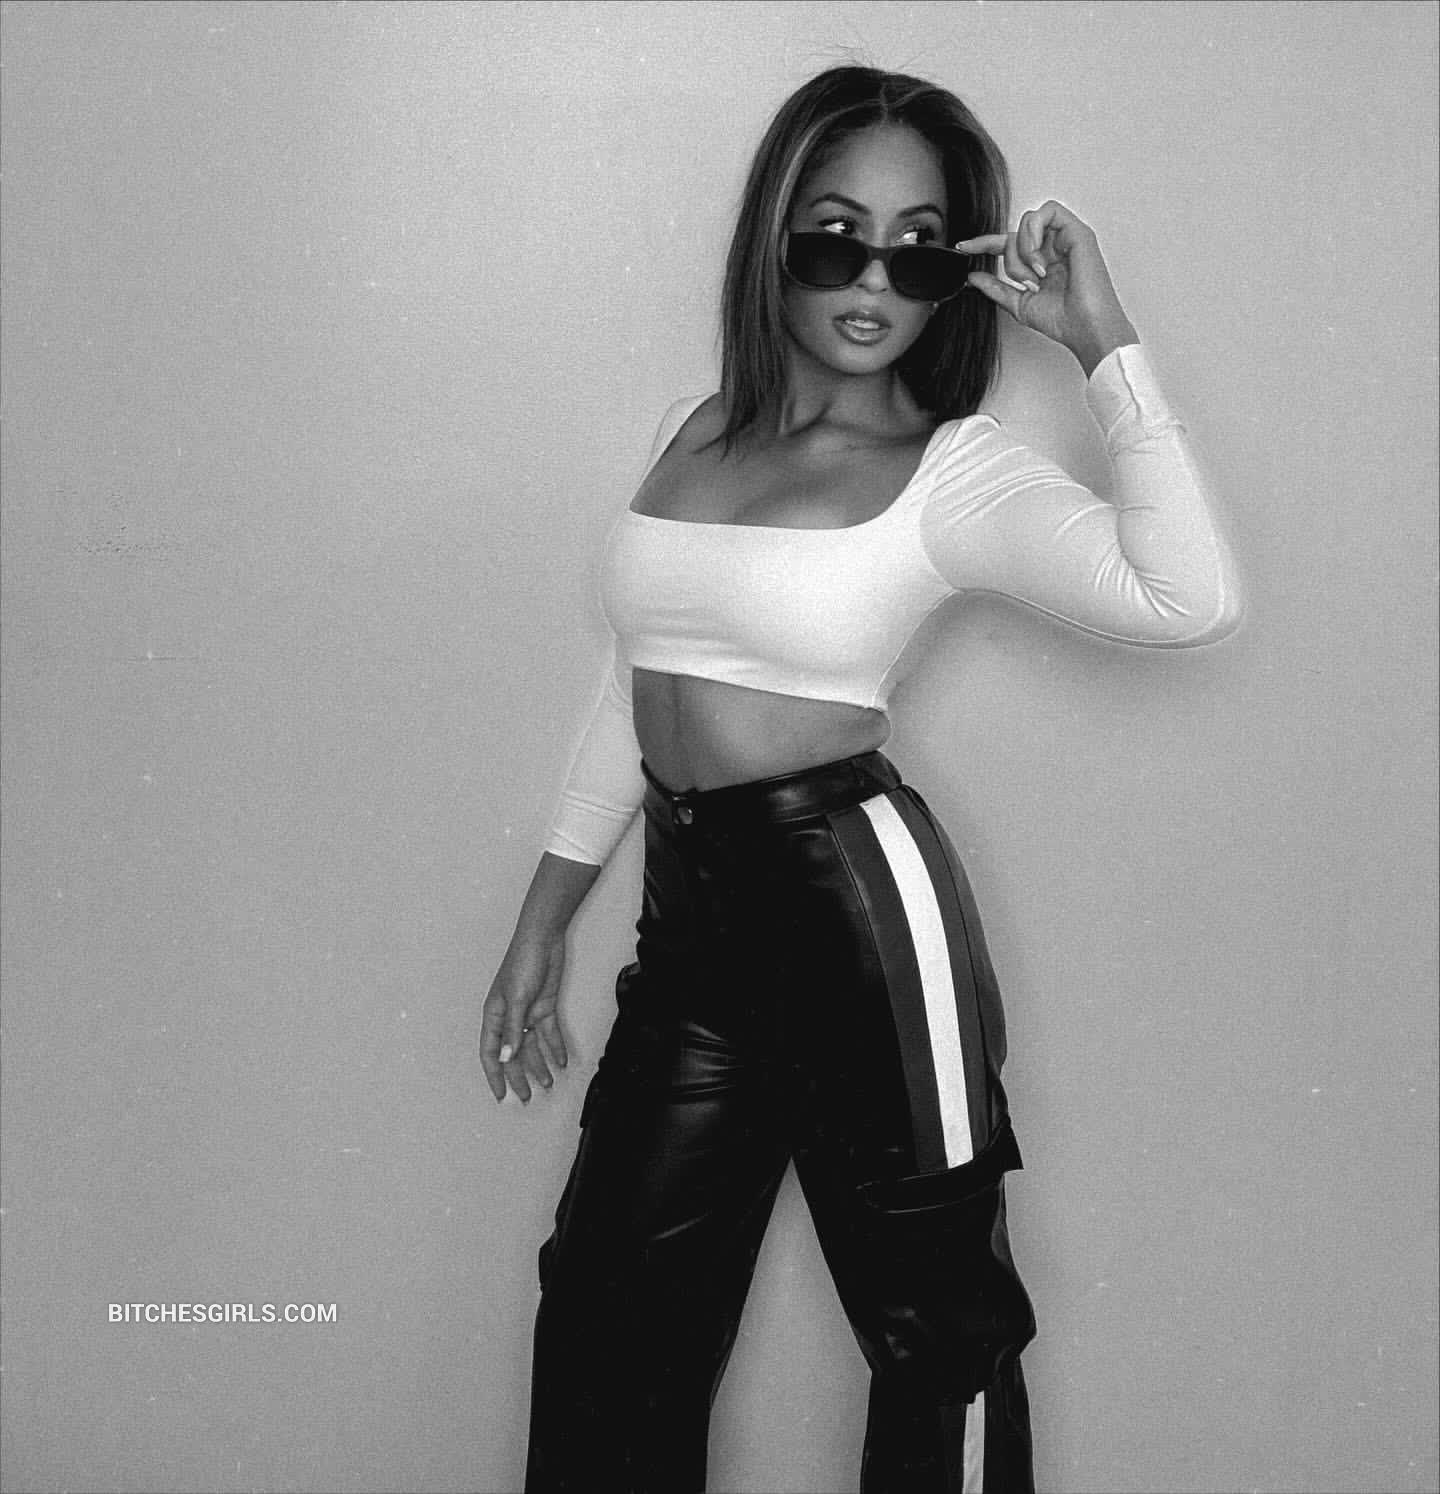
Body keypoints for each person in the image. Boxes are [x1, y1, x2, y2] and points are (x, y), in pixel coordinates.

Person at [480, 63, 1242, 1494]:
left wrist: (1101, 339)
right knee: (605, 1317)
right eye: (836, 238)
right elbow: (636, 681)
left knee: (940, 1333)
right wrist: (544, 917)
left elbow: (1186, 597)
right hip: (692, 930)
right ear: (775, 236)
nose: (875, 279)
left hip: (866, 926)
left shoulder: (953, 472)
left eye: (918, 247)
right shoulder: (690, 431)